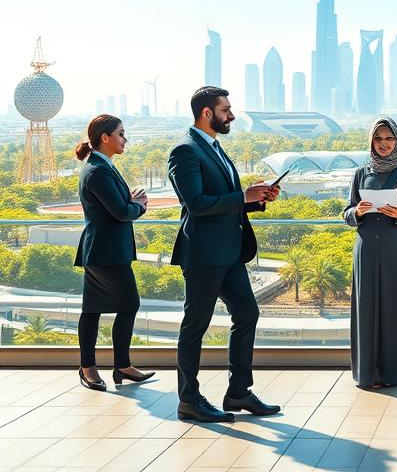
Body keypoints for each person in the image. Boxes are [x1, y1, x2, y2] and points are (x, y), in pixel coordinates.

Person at [168, 86, 280, 423]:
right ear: (206, 113)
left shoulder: (214, 148)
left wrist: (257, 198)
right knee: (195, 326)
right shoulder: (185, 152)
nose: (230, 115)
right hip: (203, 253)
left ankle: (238, 393)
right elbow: (197, 205)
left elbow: (229, 199)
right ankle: (189, 400)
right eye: (225, 110)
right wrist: (242, 196)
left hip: (230, 253)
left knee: (247, 314)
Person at [74, 114, 154, 391]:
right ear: (105, 138)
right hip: (104, 252)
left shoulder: (102, 166)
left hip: (105, 250)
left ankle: (111, 366)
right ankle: (100, 367)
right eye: (121, 133)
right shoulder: (97, 170)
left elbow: (117, 205)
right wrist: (139, 206)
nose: (125, 139)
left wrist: (129, 201)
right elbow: (121, 212)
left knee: (95, 309)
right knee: (125, 304)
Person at [343, 117, 397, 389]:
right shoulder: (361, 172)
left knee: (395, 307)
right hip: (366, 248)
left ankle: (394, 374)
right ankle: (368, 373)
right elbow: (347, 212)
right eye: (378, 139)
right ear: (371, 141)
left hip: (395, 247)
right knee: (366, 308)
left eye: (389, 138)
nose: (384, 144)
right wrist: (358, 212)